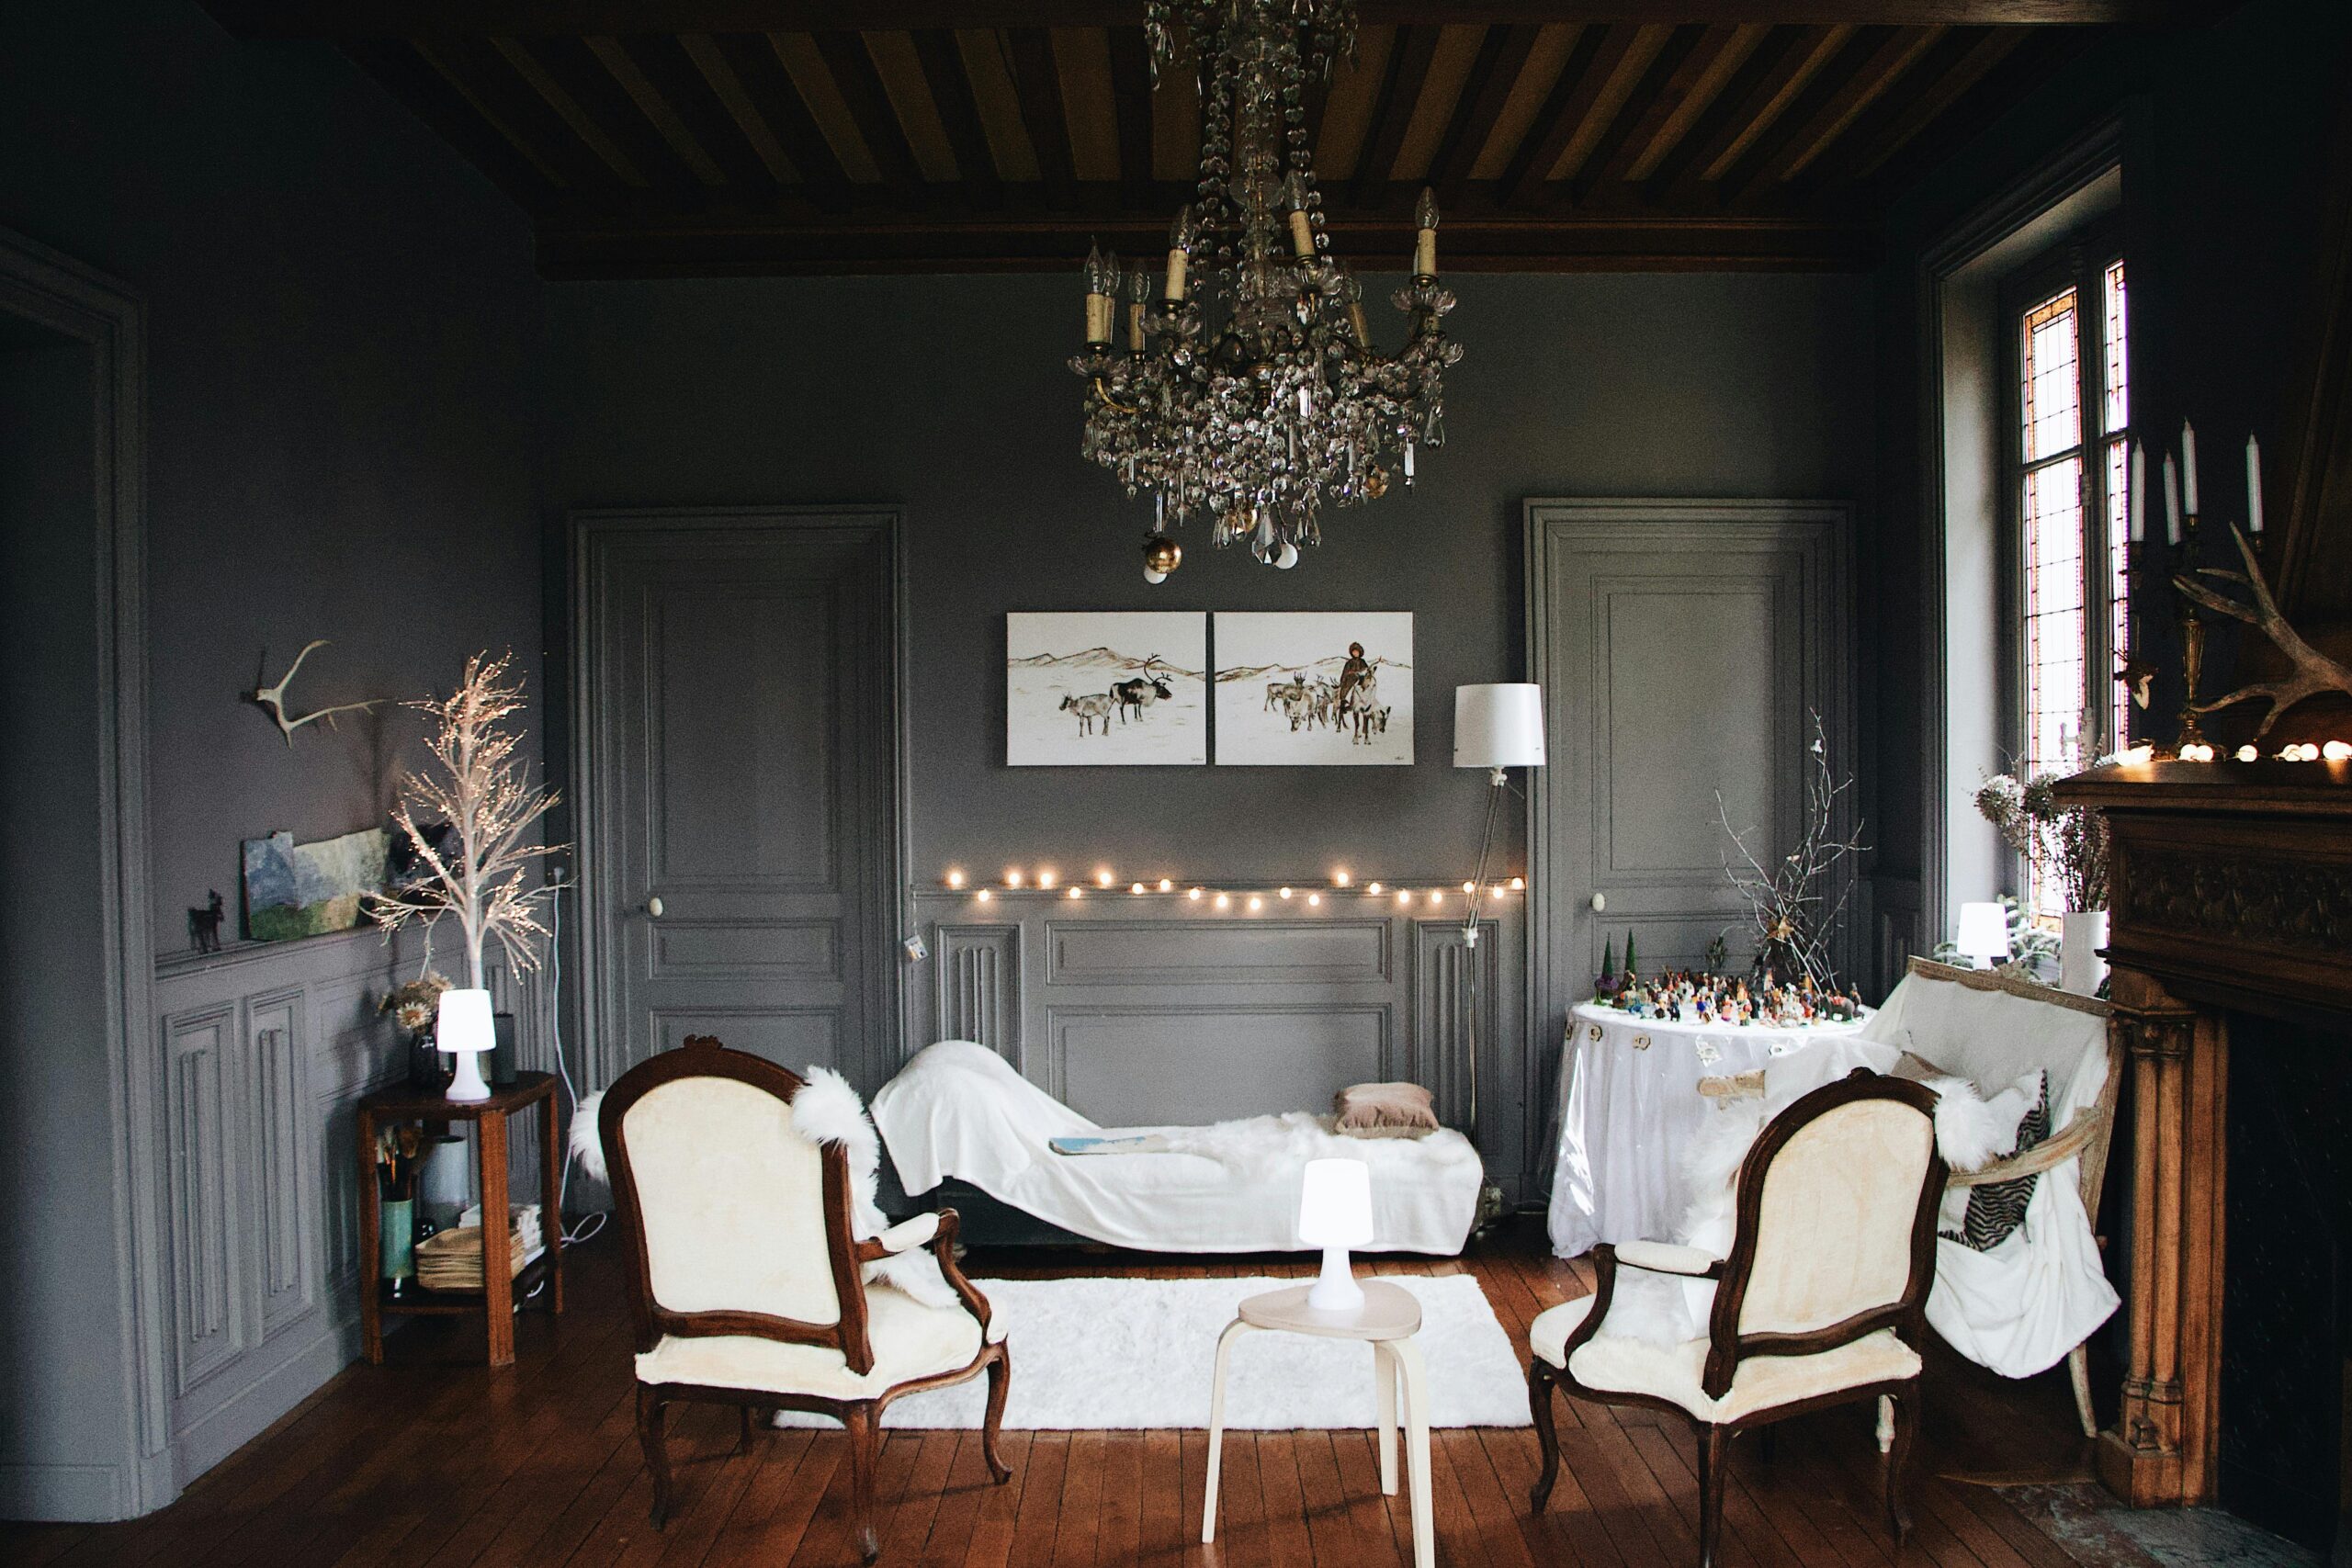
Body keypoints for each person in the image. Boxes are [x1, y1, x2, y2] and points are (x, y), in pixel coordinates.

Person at [1336, 641, 1371, 708]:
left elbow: (1366, 670)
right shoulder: (1349, 662)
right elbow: (1345, 673)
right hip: (1350, 680)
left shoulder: (1362, 661)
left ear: (1359, 652)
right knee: (1345, 690)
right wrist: (1342, 681)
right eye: (1353, 652)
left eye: (1356, 652)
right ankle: (1344, 704)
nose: (1355, 653)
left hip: (1360, 679)